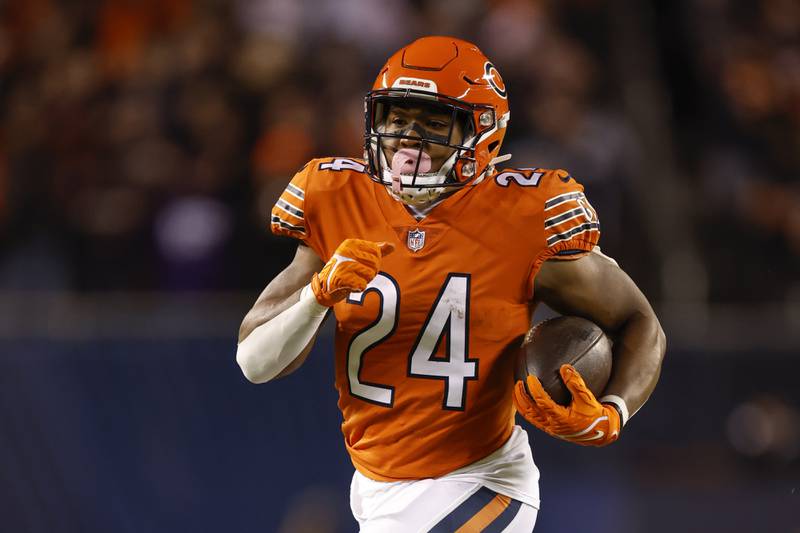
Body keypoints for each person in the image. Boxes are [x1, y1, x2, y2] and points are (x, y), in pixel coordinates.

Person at [236, 36, 666, 532]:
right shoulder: (336, 198)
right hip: (374, 483)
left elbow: (640, 322)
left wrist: (613, 410)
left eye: (434, 123)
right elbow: (254, 364)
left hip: (482, 479)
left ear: (482, 132)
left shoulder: (525, 217)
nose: (406, 138)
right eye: (397, 119)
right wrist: (317, 297)